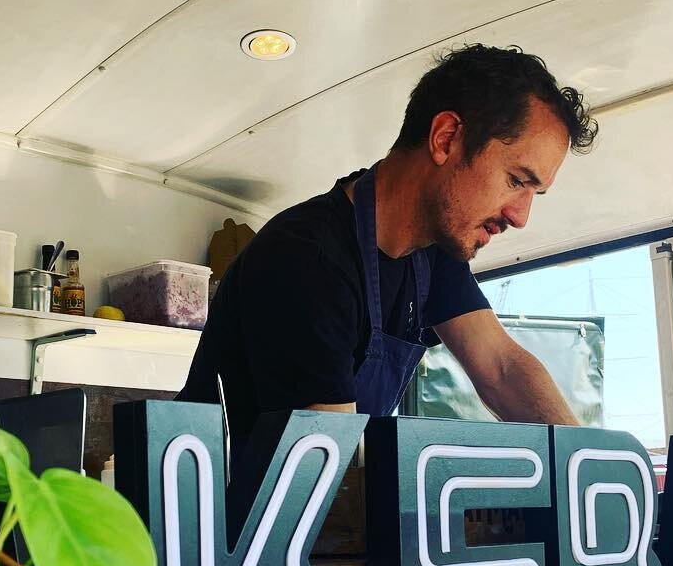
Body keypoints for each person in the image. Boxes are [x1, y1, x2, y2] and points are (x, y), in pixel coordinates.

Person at [178, 45, 596, 456]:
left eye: (534, 193)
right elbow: (331, 461)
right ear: (446, 138)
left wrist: (584, 463)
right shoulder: (307, 258)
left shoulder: (432, 254)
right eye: (516, 180)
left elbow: (501, 369)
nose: (521, 217)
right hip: (241, 517)